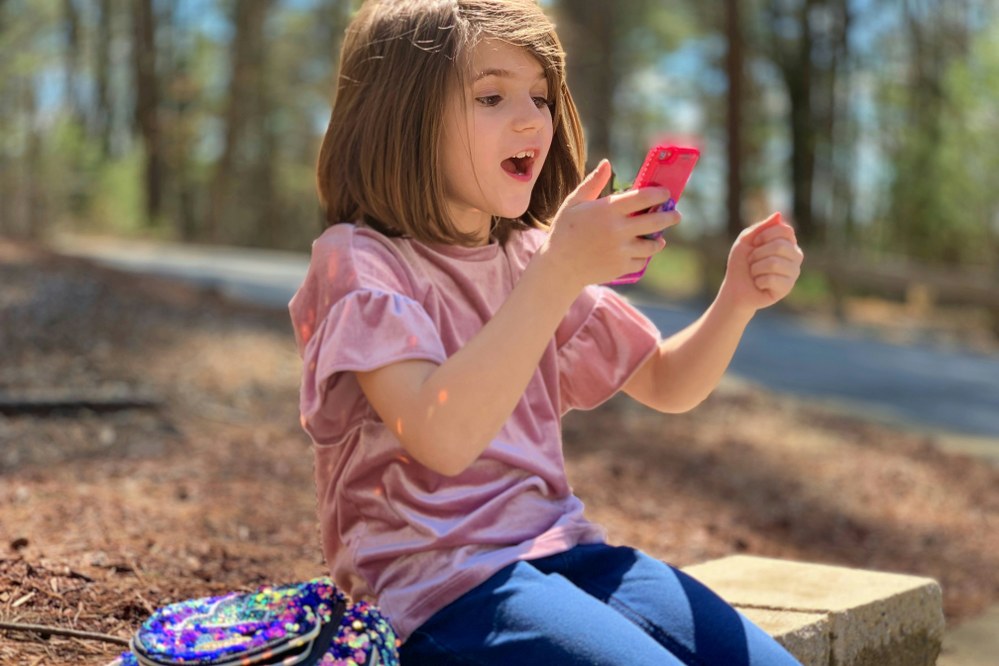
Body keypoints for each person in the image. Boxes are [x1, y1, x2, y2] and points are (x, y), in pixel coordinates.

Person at [289, 0, 805, 663]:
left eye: (539, 95)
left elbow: (668, 382)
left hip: (565, 551)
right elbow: (440, 436)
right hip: (434, 589)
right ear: (401, 116)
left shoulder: (529, 256)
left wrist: (735, 298)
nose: (532, 118)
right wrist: (558, 272)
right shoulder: (359, 262)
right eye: (492, 96)